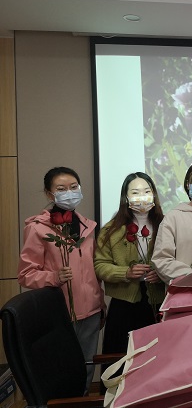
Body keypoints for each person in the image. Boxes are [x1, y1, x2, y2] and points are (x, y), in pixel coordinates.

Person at [18, 167, 104, 393]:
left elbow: (93, 271)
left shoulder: (88, 226)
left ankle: (82, 402)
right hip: (59, 313)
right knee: (62, 371)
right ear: (49, 193)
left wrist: (100, 303)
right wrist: (54, 277)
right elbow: (26, 274)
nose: (69, 193)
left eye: (74, 187)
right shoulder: (38, 229)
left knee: (86, 368)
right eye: (61, 189)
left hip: (91, 311)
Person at [94, 172, 165, 356]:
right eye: (135, 192)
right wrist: (125, 272)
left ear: (154, 194)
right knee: (121, 357)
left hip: (158, 301)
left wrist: (162, 274)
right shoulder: (111, 230)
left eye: (147, 191)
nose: (142, 197)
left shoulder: (166, 225)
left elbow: (176, 259)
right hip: (124, 305)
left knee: (157, 357)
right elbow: (100, 265)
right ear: (125, 197)